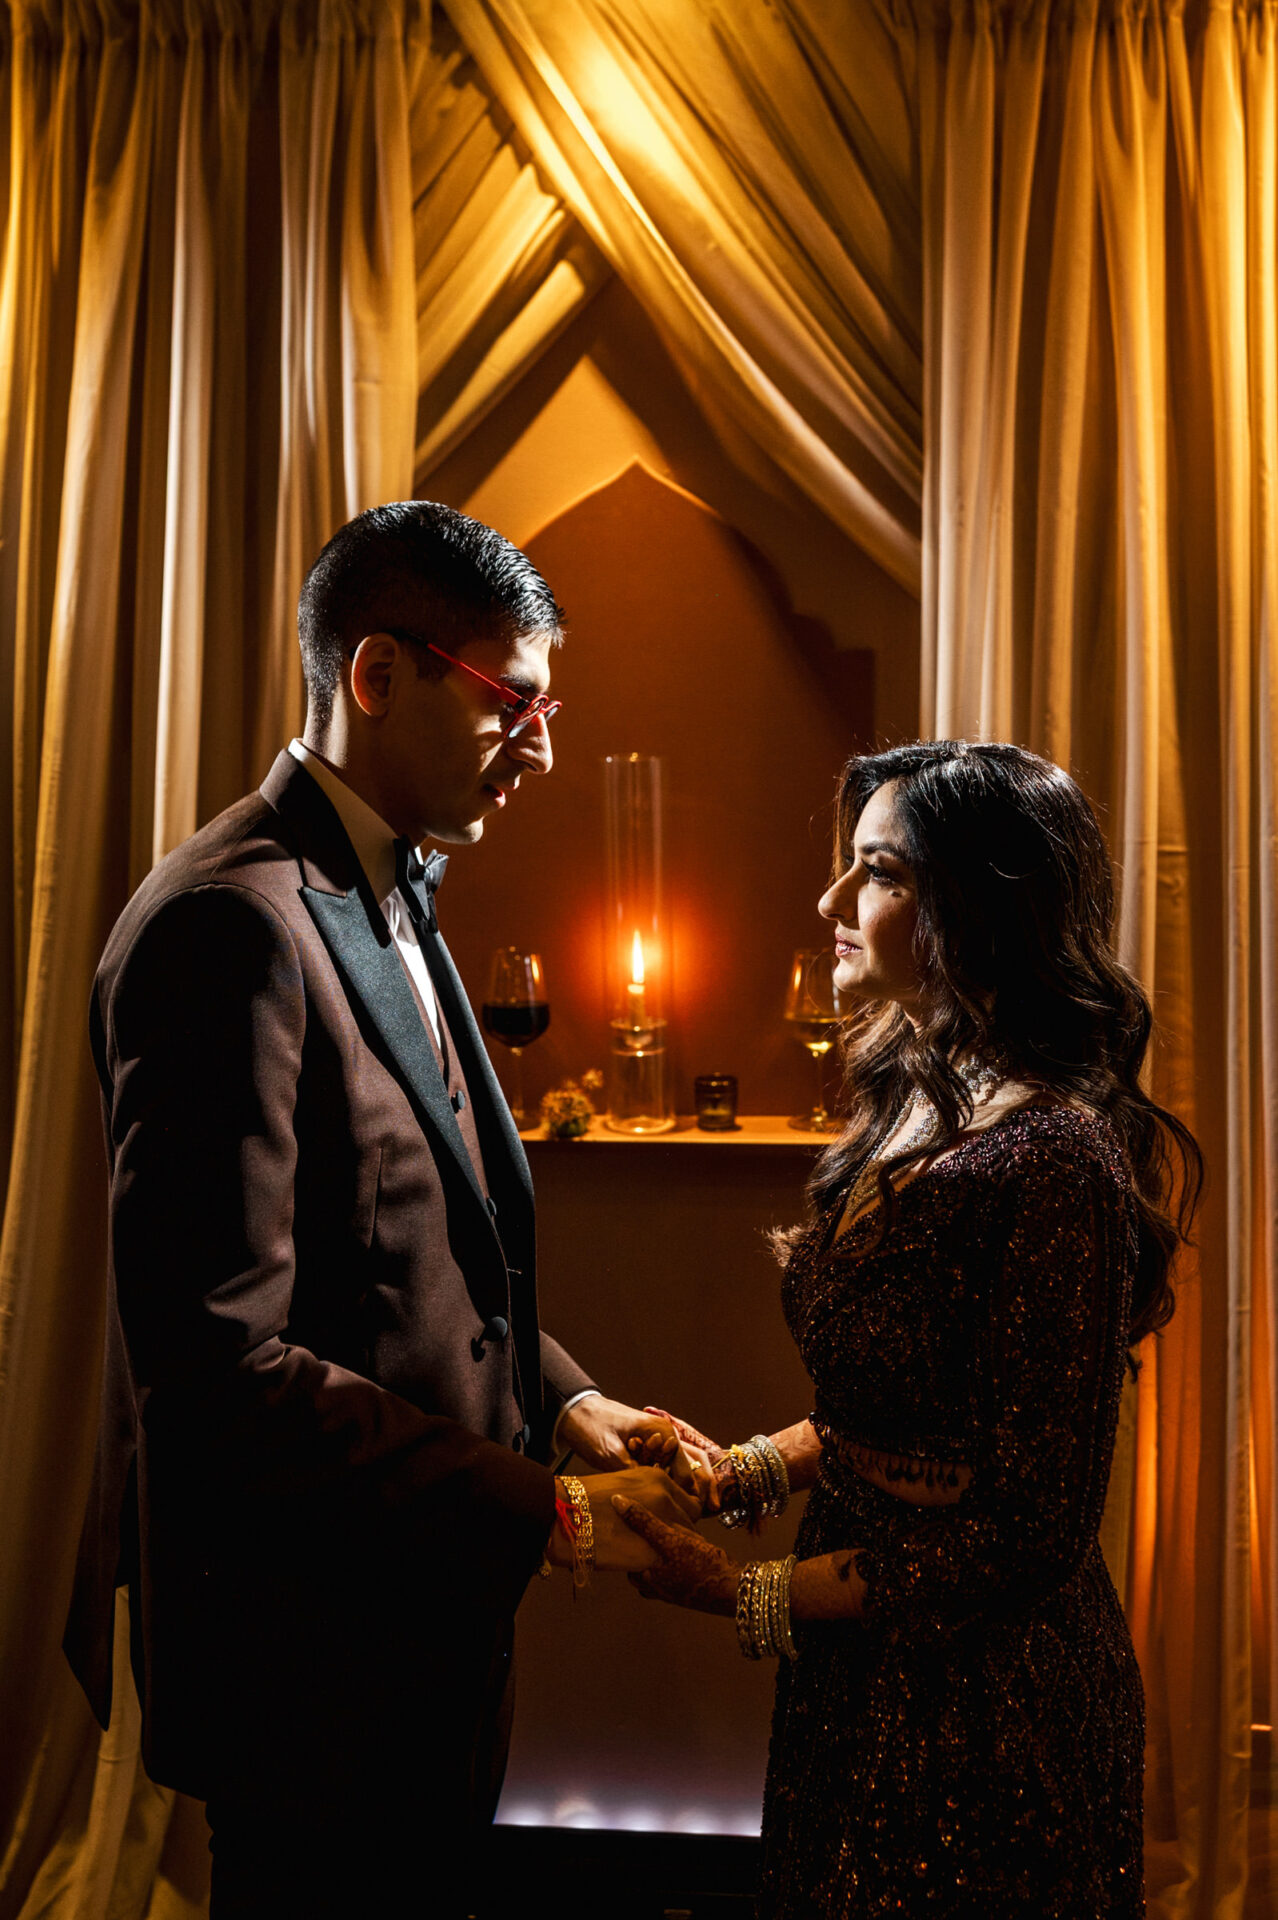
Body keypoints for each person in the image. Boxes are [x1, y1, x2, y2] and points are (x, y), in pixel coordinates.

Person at [64, 501, 702, 1918]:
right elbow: (215, 1367)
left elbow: (408, 1255)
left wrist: (566, 1406)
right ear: (377, 675)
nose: (540, 744)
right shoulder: (224, 926)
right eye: (511, 703)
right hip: (306, 1650)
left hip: (415, 1625)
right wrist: (548, 1509)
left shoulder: (391, 883)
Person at [619, 741, 1202, 1918]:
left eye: (877, 874)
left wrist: (748, 1593)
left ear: (974, 909)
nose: (833, 903)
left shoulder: (1055, 1163)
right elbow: (903, 1405)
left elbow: (1027, 1530)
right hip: (860, 1669)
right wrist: (742, 1470)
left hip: (986, 1712)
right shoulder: (915, 1102)